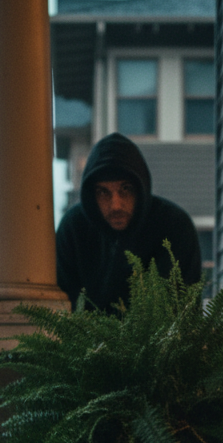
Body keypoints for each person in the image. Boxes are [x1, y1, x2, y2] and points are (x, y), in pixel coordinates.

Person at [56, 132, 202, 311]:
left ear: (141, 188)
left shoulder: (174, 226)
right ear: (91, 195)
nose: (115, 205)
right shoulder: (73, 230)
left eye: (125, 189)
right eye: (103, 192)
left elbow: (184, 313)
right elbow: (60, 311)